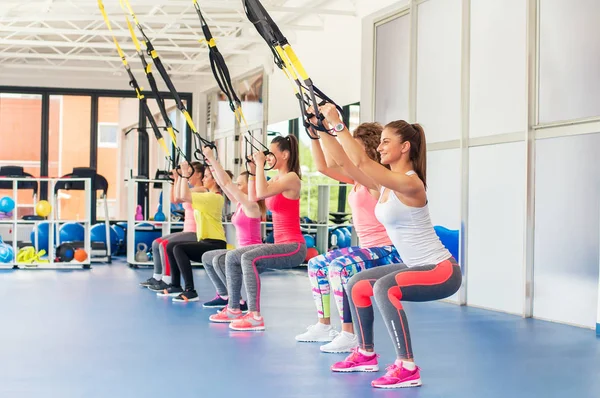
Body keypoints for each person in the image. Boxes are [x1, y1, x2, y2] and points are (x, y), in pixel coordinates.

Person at [319, 104, 461, 389]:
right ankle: (365, 353)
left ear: (405, 147)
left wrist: (338, 124)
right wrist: (321, 129)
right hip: (415, 266)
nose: (380, 147)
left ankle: (407, 366)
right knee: (357, 284)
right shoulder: (383, 186)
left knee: (384, 288)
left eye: (386, 141)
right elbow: (345, 164)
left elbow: (360, 162)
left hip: (441, 270)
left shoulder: (410, 184)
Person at [295, 120, 401, 354]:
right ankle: (324, 326)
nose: (351, 150)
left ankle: (349, 334)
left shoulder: (376, 180)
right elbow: (325, 166)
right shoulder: (357, 180)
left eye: (357, 146)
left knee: (339, 267)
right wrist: (315, 135)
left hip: (388, 251)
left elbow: (342, 159)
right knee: (316, 263)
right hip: (368, 249)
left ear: (369, 148)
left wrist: (328, 129)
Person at [218, 135, 307, 331]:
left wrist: (259, 165)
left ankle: (255, 315)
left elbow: (262, 193)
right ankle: (233, 308)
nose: (267, 158)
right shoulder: (275, 178)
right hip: (279, 244)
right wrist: (252, 170)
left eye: (271, 154)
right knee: (233, 256)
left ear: (284, 155)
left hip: (294, 247)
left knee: (248, 258)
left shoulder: (291, 178)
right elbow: (254, 196)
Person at [200, 147, 265, 314]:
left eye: (239, 184)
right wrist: (211, 164)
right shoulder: (240, 204)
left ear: (248, 187)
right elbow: (223, 183)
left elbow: (227, 183)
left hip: (253, 253)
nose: (236, 186)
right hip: (240, 252)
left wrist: (212, 158)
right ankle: (224, 296)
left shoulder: (252, 206)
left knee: (219, 260)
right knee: (208, 257)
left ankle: (236, 302)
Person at [157, 161, 229, 302]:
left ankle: (190, 290)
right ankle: (176, 285)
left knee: (178, 248)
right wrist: (178, 178)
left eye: (206, 176)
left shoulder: (212, 197)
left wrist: (183, 174)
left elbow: (183, 195)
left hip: (215, 244)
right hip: (205, 241)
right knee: (171, 246)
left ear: (215, 180)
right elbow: (179, 196)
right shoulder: (207, 196)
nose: (203, 179)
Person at [141, 163, 205, 292]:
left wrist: (181, 176)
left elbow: (179, 196)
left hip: (196, 232)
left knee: (164, 244)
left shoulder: (203, 190)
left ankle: (167, 280)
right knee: (156, 243)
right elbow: (174, 200)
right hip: (187, 230)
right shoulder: (191, 189)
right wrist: (175, 179)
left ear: (199, 174)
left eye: (190, 172)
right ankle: (158, 277)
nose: (188, 175)